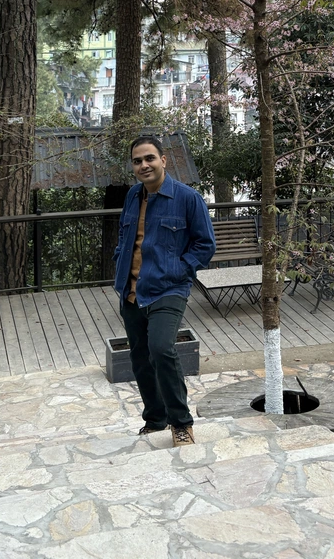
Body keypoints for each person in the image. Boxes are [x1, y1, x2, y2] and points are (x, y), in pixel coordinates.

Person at [113, 135, 216, 446]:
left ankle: (180, 422)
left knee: (161, 349)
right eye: (137, 161)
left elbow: (205, 246)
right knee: (140, 357)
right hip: (131, 290)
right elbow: (124, 238)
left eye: (149, 158)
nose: (144, 165)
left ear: (163, 161)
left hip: (168, 289)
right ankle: (155, 419)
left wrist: (177, 270)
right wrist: (119, 262)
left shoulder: (187, 198)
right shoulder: (133, 196)